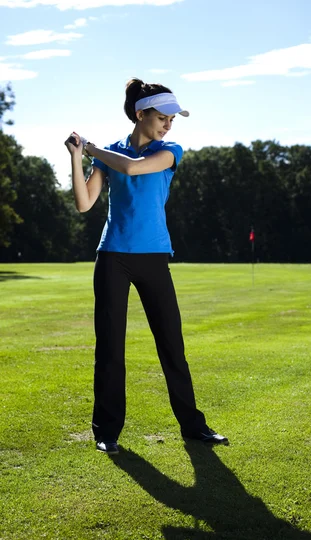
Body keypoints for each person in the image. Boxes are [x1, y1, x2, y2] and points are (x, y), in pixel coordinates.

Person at [65, 78, 228, 455]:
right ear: (142, 114)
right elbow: (84, 203)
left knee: (172, 343)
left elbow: (134, 168)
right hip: (113, 257)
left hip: (154, 257)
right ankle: (106, 432)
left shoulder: (170, 151)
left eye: (173, 118)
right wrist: (78, 156)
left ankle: (194, 426)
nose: (169, 124)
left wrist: (90, 147)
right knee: (109, 348)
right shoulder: (108, 154)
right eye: (163, 117)